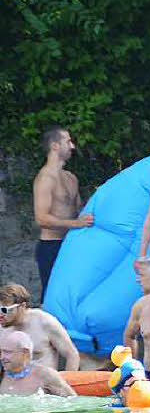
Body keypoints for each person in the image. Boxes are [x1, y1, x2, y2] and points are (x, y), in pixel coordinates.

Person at [32, 126, 92, 299]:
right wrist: (75, 224)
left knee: (73, 295)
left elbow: (80, 212)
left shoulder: (71, 177)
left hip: (72, 244)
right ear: (55, 146)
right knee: (52, 297)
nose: (72, 146)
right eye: (68, 141)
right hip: (51, 246)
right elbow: (41, 218)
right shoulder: (45, 178)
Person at [0, 284, 79, 370]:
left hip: (44, 381)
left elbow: (72, 355)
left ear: (22, 306)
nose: (1, 315)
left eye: (4, 310)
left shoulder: (44, 322)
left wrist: (65, 382)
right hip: (13, 382)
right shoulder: (2, 327)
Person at [0, 331, 75, 396]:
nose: (2, 357)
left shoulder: (45, 374)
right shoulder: (2, 374)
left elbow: (73, 402)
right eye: (1, 352)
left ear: (25, 352)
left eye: (7, 352)